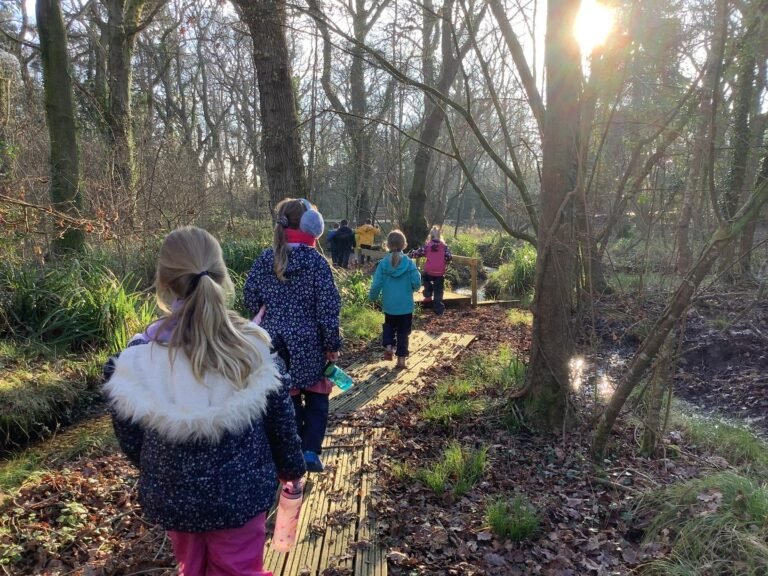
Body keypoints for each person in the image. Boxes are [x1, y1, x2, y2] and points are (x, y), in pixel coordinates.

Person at [103, 226, 305, 576]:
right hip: (240, 494)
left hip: (174, 497)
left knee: (191, 566)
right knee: (239, 569)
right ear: (222, 276)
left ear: (164, 283)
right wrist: (292, 470)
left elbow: (133, 440)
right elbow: (281, 423)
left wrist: (161, 470)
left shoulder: (137, 361)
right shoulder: (253, 352)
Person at [243, 198, 342, 473]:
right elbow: (328, 307)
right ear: (312, 226)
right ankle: (310, 451)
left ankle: (294, 450)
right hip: (312, 342)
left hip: (275, 343)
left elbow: (250, 295)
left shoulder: (267, 258)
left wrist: (267, 311)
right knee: (317, 396)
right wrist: (332, 343)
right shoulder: (316, 262)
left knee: (288, 397)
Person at [369, 230, 421, 369]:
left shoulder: (383, 264)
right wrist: (414, 288)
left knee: (389, 326)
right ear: (404, 244)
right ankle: (401, 361)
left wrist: (372, 297)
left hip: (389, 305)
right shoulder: (409, 263)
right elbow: (417, 282)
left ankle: (389, 346)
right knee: (403, 333)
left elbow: (376, 284)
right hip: (405, 306)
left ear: (387, 244)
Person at [409, 226, 453, 315]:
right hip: (440, 272)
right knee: (438, 290)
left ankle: (428, 294)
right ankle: (439, 310)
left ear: (431, 236)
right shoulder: (444, 246)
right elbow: (449, 257)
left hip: (429, 270)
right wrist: (445, 261)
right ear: (440, 236)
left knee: (425, 278)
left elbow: (418, 253)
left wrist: (411, 254)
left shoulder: (428, 246)